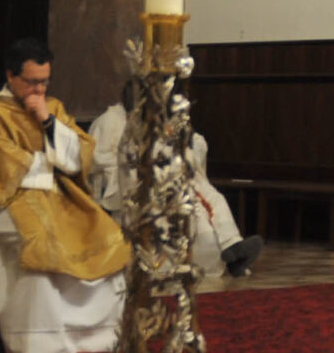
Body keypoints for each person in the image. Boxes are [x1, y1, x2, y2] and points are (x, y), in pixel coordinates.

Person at [0, 39, 127, 353]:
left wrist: (47, 121)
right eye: (31, 82)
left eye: (44, 81)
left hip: (53, 194)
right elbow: (0, 166)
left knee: (105, 231)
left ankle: (98, 333)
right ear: (10, 76)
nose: (39, 89)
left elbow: (81, 155)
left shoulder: (51, 107)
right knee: (41, 240)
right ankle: (39, 337)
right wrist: (51, 163)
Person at [85, 101, 263, 278]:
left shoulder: (158, 117)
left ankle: (233, 247)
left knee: (211, 196)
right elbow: (100, 161)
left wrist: (184, 140)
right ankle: (231, 253)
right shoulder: (110, 121)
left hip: (169, 179)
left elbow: (184, 146)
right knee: (192, 206)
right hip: (136, 188)